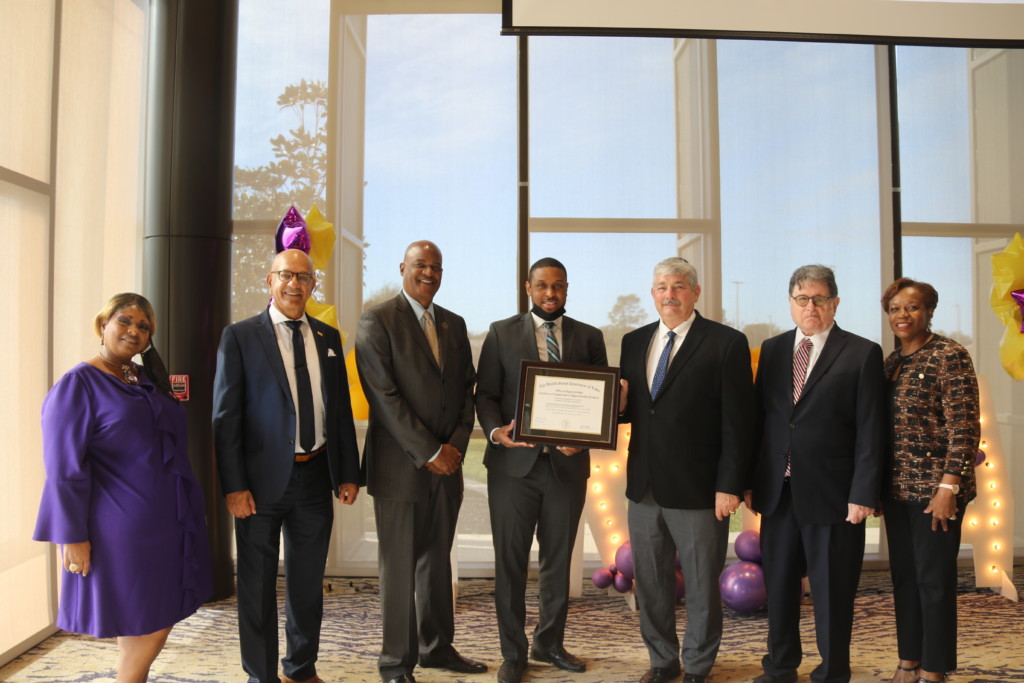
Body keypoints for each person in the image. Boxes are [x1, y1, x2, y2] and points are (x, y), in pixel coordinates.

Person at [33, 292, 213, 683]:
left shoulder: (143, 379)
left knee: (150, 616)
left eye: (143, 326)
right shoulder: (79, 384)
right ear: (103, 325)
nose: (134, 330)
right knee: (146, 619)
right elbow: (64, 468)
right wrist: (72, 535)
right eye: (125, 321)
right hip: (121, 528)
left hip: (168, 522)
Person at [213, 249, 362, 683]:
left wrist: (348, 473)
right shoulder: (239, 337)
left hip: (316, 477)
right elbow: (225, 420)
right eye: (286, 276)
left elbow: (338, 414)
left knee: (306, 585)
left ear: (313, 285)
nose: (295, 284)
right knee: (257, 586)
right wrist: (233, 486)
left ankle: (300, 668)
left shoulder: (329, 338)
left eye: (305, 277)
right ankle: (261, 675)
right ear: (269, 280)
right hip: (258, 485)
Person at [618, 257, 755, 683]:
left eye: (678, 286)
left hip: (699, 489)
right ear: (653, 293)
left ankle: (697, 665)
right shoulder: (633, 340)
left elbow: (739, 423)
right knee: (652, 584)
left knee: (700, 586)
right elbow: (631, 410)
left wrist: (730, 485)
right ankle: (662, 660)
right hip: (643, 487)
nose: (669, 294)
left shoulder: (726, 343)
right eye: (661, 287)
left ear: (695, 293)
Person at [746, 264, 884, 683]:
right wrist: (750, 481)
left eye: (820, 299)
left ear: (835, 303)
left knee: (832, 592)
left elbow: (871, 429)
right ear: (790, 303)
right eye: (803, 299)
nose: (811, 307)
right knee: (782, 590)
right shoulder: (771, 350)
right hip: (778, 493)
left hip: (835, 497)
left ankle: (833, 671)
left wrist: (863, 492)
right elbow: (761, 421)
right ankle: (780, 667)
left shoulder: (862, 352)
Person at [355, 240, 484, 683]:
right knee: (399, 567)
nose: (428, 272)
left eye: (435, 266)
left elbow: (467, 391)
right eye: (419, 265)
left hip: (447, 467)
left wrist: (455, 448)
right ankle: (395, 662)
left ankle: (436, 648)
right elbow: (384, 397)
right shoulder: (377, 319)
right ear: (403, 268)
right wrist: (429, 451)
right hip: (401, 468)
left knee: (436, 559)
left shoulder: (454, 323)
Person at [475, 257, 608, 683]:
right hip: (514, 466)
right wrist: (498, 432)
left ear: (567, 289)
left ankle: (548, 643)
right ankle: (513, 653)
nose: (550, 293)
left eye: (558, 286)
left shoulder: (590, 337)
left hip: (566, 468)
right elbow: (486, 396)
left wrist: (583, 439)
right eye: (542, 286)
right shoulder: (501, 333)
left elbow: (600, 404)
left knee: (557, 562)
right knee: (510, 563)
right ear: (528, 288)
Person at [879, 278, 979, 683]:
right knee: (904, 578)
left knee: (934, 581)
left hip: (936, 494)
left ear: (929, 311)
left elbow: (965, 428)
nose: (903, 316)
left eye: (913, 307)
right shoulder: (891, 363)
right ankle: (909, 659)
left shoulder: (949, 356)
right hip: (897, 491)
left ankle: (935, 668)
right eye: (895, 309)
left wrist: (948, 488)